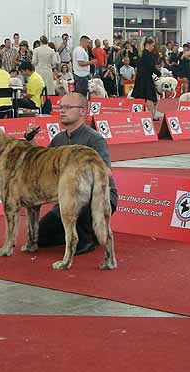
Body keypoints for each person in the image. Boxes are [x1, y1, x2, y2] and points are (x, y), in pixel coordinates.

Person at [35, 92, 118, 255]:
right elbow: (41, 164)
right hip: (66, 199)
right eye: (60, 107)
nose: (62, 111)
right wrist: (31, 141)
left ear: (82, 111)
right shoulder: (58, 139)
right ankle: (83, 232)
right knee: (40, 237)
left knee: (79, 194)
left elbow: (106, 172)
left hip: (99, 196)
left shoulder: (94, 139)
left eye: (67, 107)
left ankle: (86, 240)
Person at [131, 37, 161, 119]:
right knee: (149, 97)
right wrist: (159, 73)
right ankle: (152, 116)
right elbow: (151, 67)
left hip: (140, 78)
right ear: (148, 44)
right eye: (152, 45)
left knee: (140, 97)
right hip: (146, 78)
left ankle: (137, 114)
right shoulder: (148, 55)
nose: (153, 47)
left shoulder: (141, 53)